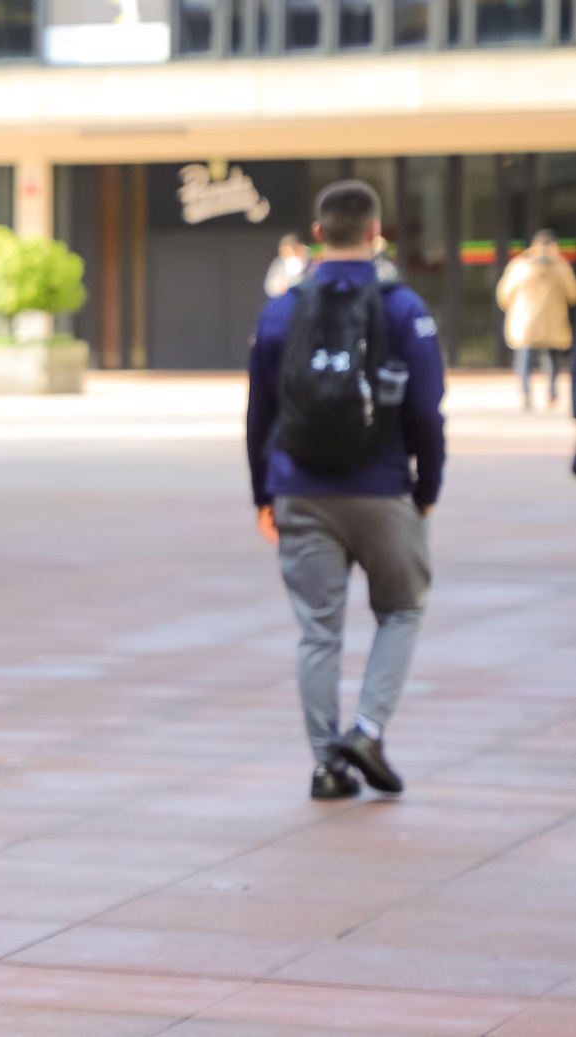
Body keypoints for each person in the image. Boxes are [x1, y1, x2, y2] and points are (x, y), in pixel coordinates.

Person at [246, 179, 446, 801]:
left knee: (318, 631)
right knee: (404, 608)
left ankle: (325, 765)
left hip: (300, 489)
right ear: (374, 233)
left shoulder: (281, 309)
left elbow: (259, 414)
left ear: (317, 234)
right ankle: (368, 729)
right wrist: (426, 487)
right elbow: (426, 410)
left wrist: (264, 495)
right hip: (384, 486)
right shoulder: (404, 307)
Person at [497, 229, 576, 412]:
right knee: (552, 359)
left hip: (525, 322)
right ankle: (552, 393)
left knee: (525, 360)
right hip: (553, 322)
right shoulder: (560, 267)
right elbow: (572, 294)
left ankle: (526, 394)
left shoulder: (519, 266)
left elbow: (504, 294)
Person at [264, 233, 311, 298]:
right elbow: (270, 286)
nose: (286, 255)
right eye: (283, 253)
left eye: (289, 252)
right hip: (286, 299)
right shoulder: (279, 264)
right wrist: (280, 286)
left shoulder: (310, 262)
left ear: (298, 249)